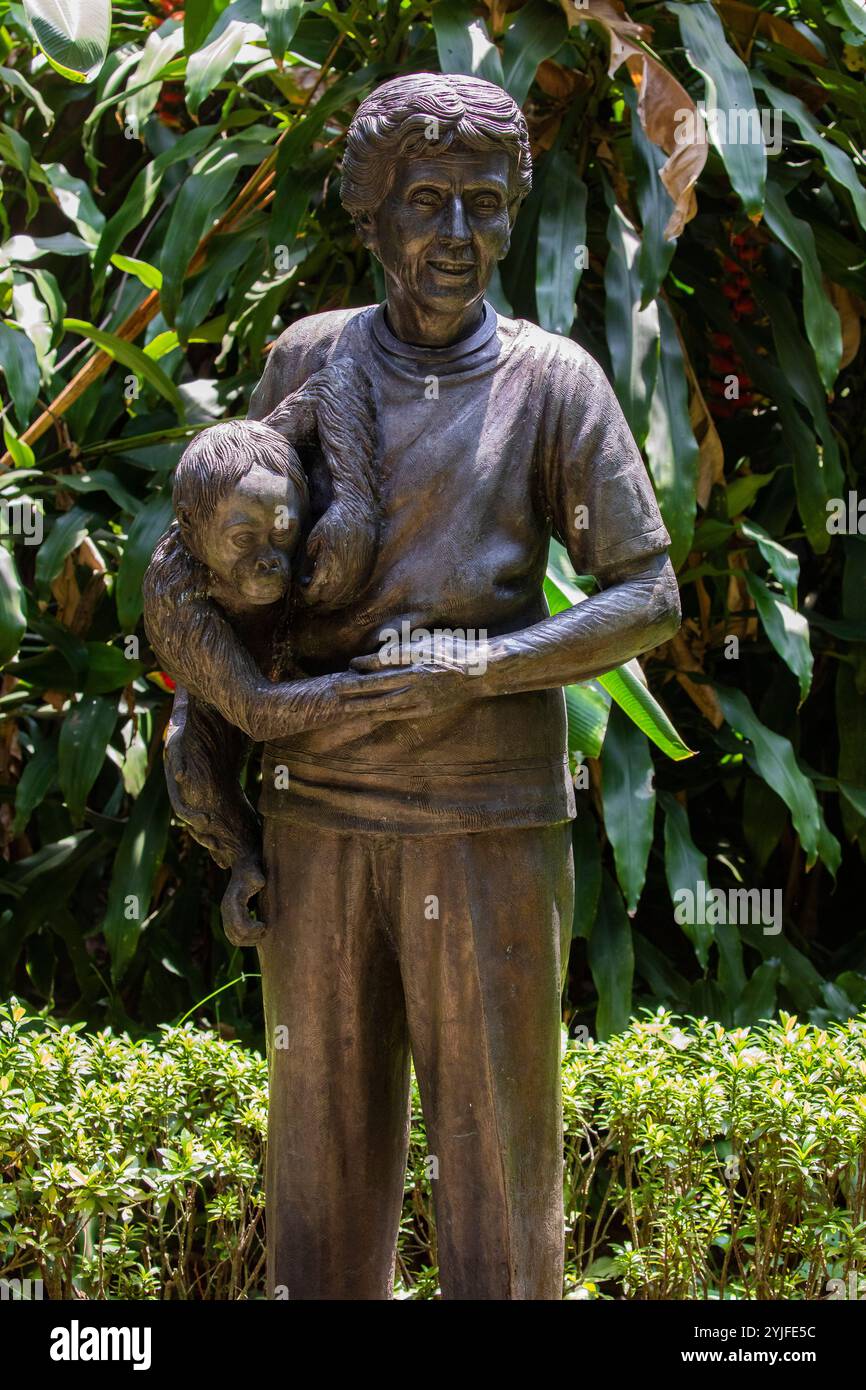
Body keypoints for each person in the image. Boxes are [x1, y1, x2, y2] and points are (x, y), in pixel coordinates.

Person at [204, 71, 681, 1300]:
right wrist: (228, 827)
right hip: (318, 813)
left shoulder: (549, 381)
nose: (455, 238)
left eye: (482, 203)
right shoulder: (308, 359)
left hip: (488, 821)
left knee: (497, 1173)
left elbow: (647, 593)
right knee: (318, 1171)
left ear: (515, 210)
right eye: (426, 203)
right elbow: (215, 585)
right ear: (371, 214)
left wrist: (485, 667)